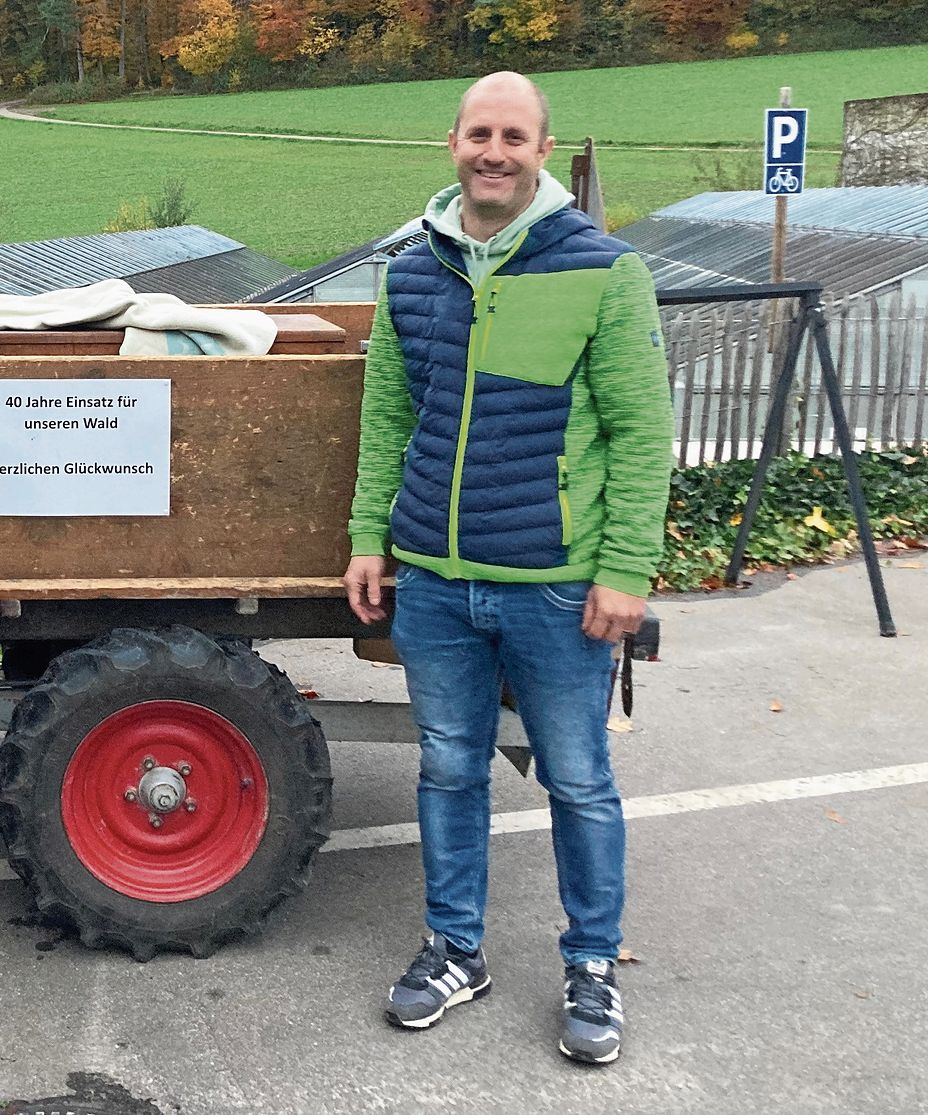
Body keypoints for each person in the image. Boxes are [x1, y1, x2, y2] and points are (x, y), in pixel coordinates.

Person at [342, 73, 672, 1065]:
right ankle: (454, 949)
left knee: (576, 776)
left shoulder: (606, 271)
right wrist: (372, 536)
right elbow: (389, 424)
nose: (495, 150)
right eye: (479, 133)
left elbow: (643, 433)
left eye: (513, 135)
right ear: (452, 144)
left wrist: (626, 570)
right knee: (447, 764)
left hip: (555, 581)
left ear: (542, 147)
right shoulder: (407, 275)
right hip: (438, 580)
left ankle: (594, 963)